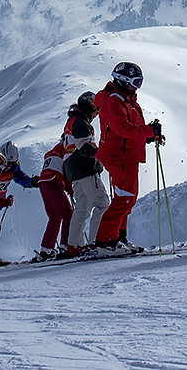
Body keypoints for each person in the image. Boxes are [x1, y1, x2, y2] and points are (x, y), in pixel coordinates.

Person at [92, 61, 164, 256]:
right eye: (135, 82)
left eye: (139, 82)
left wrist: (150, 136)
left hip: (127, 156)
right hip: (119, 157)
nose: (137, 86)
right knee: (124, 199)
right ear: (123, 80)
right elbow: (122, 128)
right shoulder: (113, 101)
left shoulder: (127, 101)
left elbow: (131, 129)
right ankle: (106, 242)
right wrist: (148, 131)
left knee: (127, 199)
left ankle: (118, 239)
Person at [61, 91, 109, 258]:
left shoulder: (71, 122)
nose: (96, 114)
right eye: (96, 110)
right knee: (102, 203)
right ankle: (98, 242)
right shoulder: (81, 123)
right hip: (85, 167)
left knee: (82, 207)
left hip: (72, 169)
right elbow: (83, 146)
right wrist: (102, 153)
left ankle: (74, 245)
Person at [33, 138, 72, 261]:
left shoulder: (51, 152)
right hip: (54, 180)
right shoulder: (65, 151)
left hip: (43, 183)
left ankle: (46, 249)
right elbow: (67, 172)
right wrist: (71, 190)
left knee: (54, 217)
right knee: (68, 213)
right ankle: (65, 246)